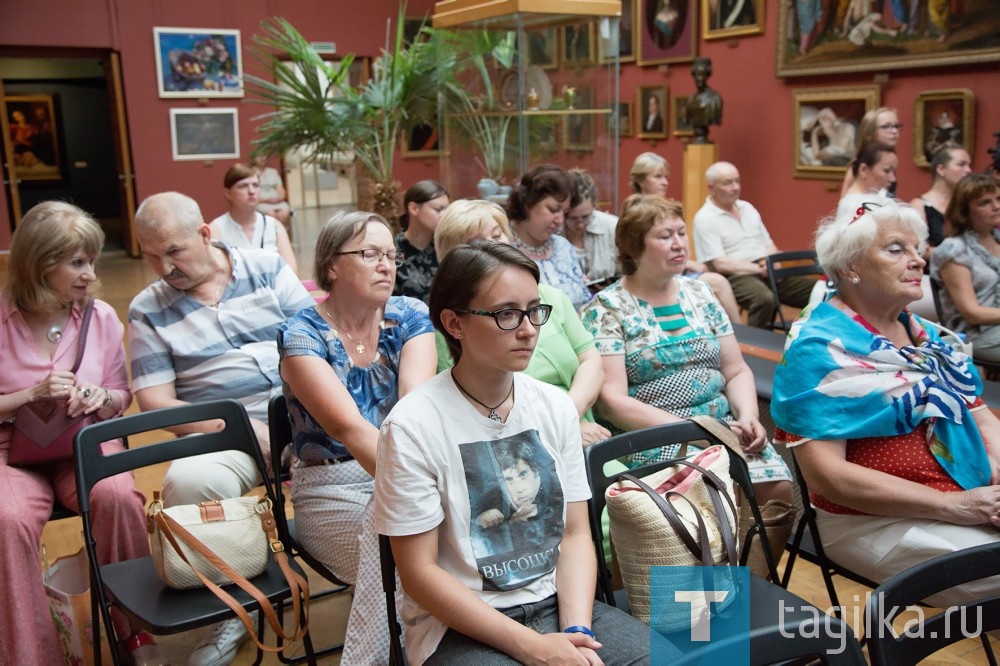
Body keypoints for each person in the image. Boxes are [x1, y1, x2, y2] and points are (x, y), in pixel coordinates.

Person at [375, 240, 662, 665]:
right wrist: (533, 648)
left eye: (534, 310)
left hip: (559, 605)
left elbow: (575, 534)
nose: (529, 329)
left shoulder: (554, 406)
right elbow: (420, 574)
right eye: (507, 314)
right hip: (461, 624)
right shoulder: (412, 425)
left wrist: (577, 633)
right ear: (454, 323)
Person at [772, 195, 1000, 608]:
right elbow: (829, 478)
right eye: (896, 249)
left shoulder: (923, 335)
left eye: (916, 249)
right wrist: (958, 506)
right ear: (849, 268)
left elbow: (980, 415)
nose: (917, 260)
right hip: (871, 521)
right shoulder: (817, 350)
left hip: (970, 497)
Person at [129, 191, 313, 666]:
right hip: (224, 432)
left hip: (304, 413)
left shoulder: (266, 268)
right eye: (150, 255)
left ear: (206, 234)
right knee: (188, 481)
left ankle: (389, 589)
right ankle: (230, 609)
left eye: (173, 250)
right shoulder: (147, 309)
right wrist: (236, 428)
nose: (163, 266)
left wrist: (298, 414)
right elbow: (154, 400)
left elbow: (316, 341)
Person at [0, 202, 165, 666]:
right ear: (39, 263)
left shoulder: (102, 319)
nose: (90, 274)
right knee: (7, 520)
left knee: (116, 495)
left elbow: (120, 396)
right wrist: (28, 395)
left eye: (91, 261)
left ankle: (135, 631)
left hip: (83, 441)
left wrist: (99, 396)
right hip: (10, 449)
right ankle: (31, 653)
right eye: (77, 262)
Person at [278, 210, 436, 664]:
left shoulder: (408, 315)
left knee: (409, 544)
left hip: (410, 470)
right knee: (406, 551)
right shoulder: (302, 335)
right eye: (370, 254)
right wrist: (415, 489)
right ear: (331, 264)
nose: (387, 264)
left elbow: (415, 408)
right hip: (329, 490)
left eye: (391, 255)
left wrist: (415, 487)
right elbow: (346, 427)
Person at [582, 195, 793, 506]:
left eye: (681, 233)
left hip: (722, 428)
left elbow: (735, 370)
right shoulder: (607, 309)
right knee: (706, 497)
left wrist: (748, 415)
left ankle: (750, 558)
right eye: (665, 236)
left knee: (776, 490)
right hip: (652, 434)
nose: (679, 243)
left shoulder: (702, 294)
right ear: (633, 246)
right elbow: (613, 402)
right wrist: (695, 431)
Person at [434, 199, 611, 447]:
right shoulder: (460, 321)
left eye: (497, 235)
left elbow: (591, 360)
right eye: (476, 242)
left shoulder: (550, 297)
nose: (492, 246)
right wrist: (555, 431)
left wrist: (567, 418)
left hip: (581, 427)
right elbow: (469, 406)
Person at [693, 161, 817, 329]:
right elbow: (720, 263)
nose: (735, 187)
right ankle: (751, 344)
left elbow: (768, 243)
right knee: (764, 298)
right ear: (711, 187)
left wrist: (774, 264)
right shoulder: (705, 218)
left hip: (766, 268)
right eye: (727, 183)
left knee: (818, 290)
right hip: (736, 275)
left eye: (737, 181)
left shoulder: (747, 208)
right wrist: (760, 269)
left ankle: (812, 338)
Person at [629, 153, 742, 322]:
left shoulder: (665, 206)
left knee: (717, 282)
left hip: (672, 269)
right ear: (641, 180)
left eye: (666, 177)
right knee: (718, 282)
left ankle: (730, 333)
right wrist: (689, 263)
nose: (665, 182)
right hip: (652, 274)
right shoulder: (635, 210)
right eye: (658, 177)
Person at [930, 174, 1000, 363]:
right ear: (965, 211)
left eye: (998, 199)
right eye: (985, 202)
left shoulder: (997, 239)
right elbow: (972, 313)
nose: (996, 206)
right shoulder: (954, 249)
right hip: (973, 334)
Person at [507, 164, 591, 310]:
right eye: (553, 209)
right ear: (528, 203)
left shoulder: (563, 246)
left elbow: (584, 300)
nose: (560, 220)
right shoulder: (505, 250)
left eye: (565, 213)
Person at [209, 163, 297, 273]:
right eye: (243, 186)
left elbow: (291, 271)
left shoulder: (274, 227)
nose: (251, 191)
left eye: (255, 185)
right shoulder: (216, 230)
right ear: (228, 193)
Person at [392, 180, 450, 303]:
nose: (445, 216)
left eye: (447, 210)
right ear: (414, 208)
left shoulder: (446, 247)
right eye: (438, 210)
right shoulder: (392, 251)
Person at [910, 145, 972, 253]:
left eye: (968, 165)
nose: (968, 170)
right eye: (961, 165)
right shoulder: (919, 205)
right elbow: (919, 249)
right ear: (941, 169)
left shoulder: (968, 203)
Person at [563, 169, 619, 283]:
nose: (580, 225)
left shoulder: (611, 227)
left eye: (586, 217)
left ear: (594, 206)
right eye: (572, 218)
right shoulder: (552, 232)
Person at [840, 107, 902, 196]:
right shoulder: (860, 165)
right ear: (870, 132)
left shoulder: (887, 159)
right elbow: (845, 204)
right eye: (886, 126)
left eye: (896, 126)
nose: (894, 131)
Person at [836, 142, 898, 218]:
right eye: (886, 171)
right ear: (863, 170)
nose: (893, 179)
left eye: (894, 172)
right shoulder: (855, 206)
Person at [249, 154, 293, 237]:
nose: (263, 158)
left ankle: (279, 235)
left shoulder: (273, 172)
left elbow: (280, 189)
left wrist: (279, 198)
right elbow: (251, 191)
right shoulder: (250, 173)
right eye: (260, 156)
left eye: (264, 156)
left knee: (285, 212)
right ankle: (274, 237)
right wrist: (266, 200)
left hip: (276, 201)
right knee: (271, 214)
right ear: (254, 158)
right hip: (261, 202)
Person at [686, 58, 722, 144]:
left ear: (707, 76)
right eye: (698, 75)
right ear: (694, 76)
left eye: (703, 75)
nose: (700, 78)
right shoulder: (691, 99)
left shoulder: (715, 99)